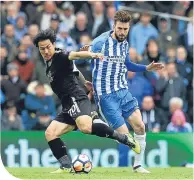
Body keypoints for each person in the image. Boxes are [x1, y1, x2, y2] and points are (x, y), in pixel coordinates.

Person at [33, 29, 140, 173]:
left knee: (85, 128)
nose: (46, 51)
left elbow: (75, 55)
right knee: (50, 133)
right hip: (67, 105)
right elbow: (75, 70)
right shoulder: (49, 62)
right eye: (42, 49)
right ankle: (65, 166)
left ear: (53, 44)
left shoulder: (60, 55)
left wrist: (92, 54)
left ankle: (125, 139)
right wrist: (85, 83)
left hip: (76, 98)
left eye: (48, 47)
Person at [86, 10, 164, 173]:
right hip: (106, 95)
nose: (122, 32)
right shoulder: (100, 43)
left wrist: (146, 68)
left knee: (140, 127)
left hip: (122, 91)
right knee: (125, 137)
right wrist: (89, 84)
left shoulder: (125, 44)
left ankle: (138, 165)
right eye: (120, 28)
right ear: (114, 26)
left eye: (125, 29)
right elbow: (87, 61)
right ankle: (98, 123)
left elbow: (127, 64)